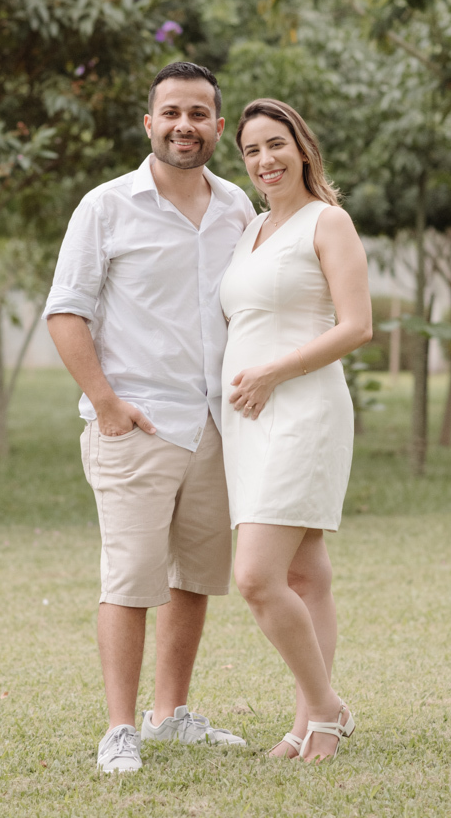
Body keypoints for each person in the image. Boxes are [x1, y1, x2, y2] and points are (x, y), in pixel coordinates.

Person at [43, 62, 256, 773]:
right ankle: (119, 728)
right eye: (171, 112)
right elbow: (66, 310)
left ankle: (169, 717)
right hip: (136, 425)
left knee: (195, 578)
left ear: (219, 128)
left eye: (199, 113)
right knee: (129, 580)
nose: (184, 126)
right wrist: (105, 403)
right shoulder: (106, 206)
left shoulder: (238, 211)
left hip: (215, 427)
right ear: (149, 124)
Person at [220, 99, 372, 763]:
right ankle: (309, 722)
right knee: (306, 575)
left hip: (302, 412)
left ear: (302, 148)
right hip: (249, 420)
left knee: (255, 576)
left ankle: (329, 708)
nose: (264, 161)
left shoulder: (328, 222)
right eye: (251, 151)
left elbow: (355, 325)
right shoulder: (250, 229)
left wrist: (273, 374)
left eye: (275, 145)